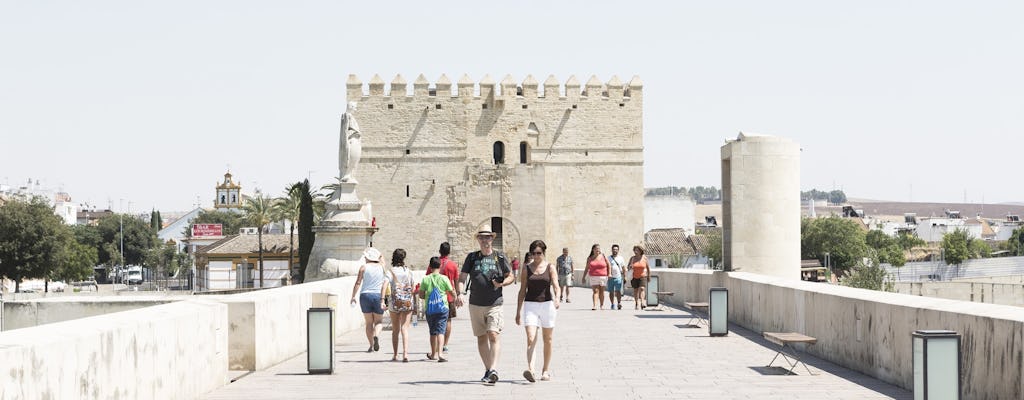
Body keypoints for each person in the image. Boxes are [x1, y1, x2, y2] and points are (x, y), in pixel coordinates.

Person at [457, 225, 513, 384]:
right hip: (475, 304)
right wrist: (460, 293)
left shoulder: (499, 257)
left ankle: (494, 368)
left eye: (487, 237)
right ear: (478, 239)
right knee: (481, 338)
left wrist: (502, 284)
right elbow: (462, 278)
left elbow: (510, 277)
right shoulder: (472, 257)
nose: (485, 240)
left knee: (493, 334)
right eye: (481, 237)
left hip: (495, 303)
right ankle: (489, 370)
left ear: (492, 238)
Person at [515, 240, 560, 383]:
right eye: (533, 253)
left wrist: (557, 298)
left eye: (539, 253)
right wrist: (517, 311)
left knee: (548, 339)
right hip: (530, 305)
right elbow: (522, 291)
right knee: (530, 337)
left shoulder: (550, 267)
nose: (536, 256)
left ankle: (545, 370)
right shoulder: (526, 269)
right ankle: (531, 370)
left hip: (547, 305)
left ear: (544, 253)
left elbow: (556, 285)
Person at [349, 247, 387, 352]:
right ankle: (376, 335)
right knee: (378, 322)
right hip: (378, 296)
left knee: (369, 322)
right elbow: (382, 257)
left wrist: (353, 296)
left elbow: (358, 283)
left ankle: (371, 345)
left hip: (365, 296)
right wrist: (376, 252)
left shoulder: (363, 267)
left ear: (368, 257)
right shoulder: (382, 267)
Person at [421, 256, 455, 363]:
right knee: (441, 331)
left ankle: (433, 354)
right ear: (440, 266)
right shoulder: (444, 278)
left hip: (430, 309)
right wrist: (456, 297)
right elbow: (451, 291)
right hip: (442, 308)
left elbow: (421, 295)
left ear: (430, 267)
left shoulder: (426, 279)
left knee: (432, 332)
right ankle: (440, 353)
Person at [387, 249, 415, 362]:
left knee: (395, 329)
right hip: (407, 302)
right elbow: (412, 287)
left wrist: (381, 299)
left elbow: (385, 284)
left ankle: (395, 354)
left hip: (394, 302)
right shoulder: (408, 271)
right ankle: (405, 354)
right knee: (405, 328)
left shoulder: (390, 271)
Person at [438, 242, 460, 354]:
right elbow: (456, 281)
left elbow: (428, 276)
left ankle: (437, 344)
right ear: (449, 251)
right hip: (449, 296)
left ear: (439, 250)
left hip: (436, 296)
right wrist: (458, 295)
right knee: (448, 320)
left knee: (437, 320)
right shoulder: (453, 265)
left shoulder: (434, 263)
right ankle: (445, 344)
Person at [581, 244, 610, 310]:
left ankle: (602, 305)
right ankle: (594, 305)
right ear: (593, 249)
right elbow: (586, 268)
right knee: (595, 291)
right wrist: (583, 277)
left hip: (603, 276)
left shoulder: (603, 256)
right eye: (596, 248)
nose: (598, 250)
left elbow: (609, 265)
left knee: (602, 291)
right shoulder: (590, 258)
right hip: (593, 276)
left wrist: (609, 274)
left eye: (599, 248)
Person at [338, 101, 362, 183]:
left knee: (354, 160)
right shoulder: (347, 116)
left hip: (355, 141)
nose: (356, 109)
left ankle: (350, 175)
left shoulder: (350, 116)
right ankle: (347, 174)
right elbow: (345, 131)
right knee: (351, 158)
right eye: (354, 107)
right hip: (351, 141)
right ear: (351, 107)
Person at [628, 245, 651, 310]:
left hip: (642, 276)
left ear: (641, 251)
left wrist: (649, 276)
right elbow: (628, 267)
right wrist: (630, 266)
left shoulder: (644, 258)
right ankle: (636, 303)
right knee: (636, 290)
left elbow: (648, 268)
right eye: (635, 250)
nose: (636, 252)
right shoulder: (632, 258)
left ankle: (642, 302)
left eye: (637, 250)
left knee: (642, 288)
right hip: (634, 276)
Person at [606, 244, 626, 310]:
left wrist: (625, 277)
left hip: (618, 277)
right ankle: (612, 304)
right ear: (611, 250)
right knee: (611, 292)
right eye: (614, 249)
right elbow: (606, 267)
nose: (615, 251)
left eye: (616, 249)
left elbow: (623, 268)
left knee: (618, 291)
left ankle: (619, 303)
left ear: (618, 250)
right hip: (610, 277)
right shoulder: (608, 258)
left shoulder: (621, 258)